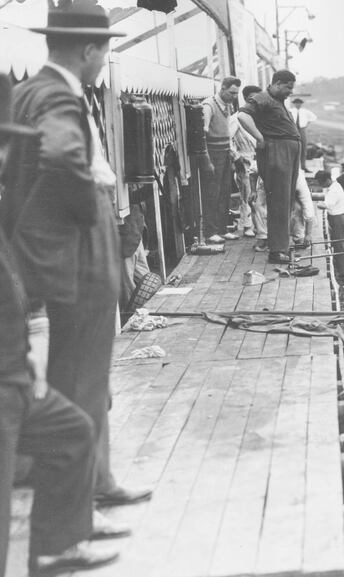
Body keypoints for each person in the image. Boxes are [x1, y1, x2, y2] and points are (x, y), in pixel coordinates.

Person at [0, 0, 152, 525]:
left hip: (46, 255)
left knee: (78, 377)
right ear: (90, 50)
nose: (104, 62)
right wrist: (87, 217)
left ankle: (99, 479)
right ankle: (80, 507)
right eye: (105, 52)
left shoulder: (25, 92)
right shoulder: (61, 96)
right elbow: (65, 158)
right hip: (82, 252)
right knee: (84, 379)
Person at [0, 69, 118, 577]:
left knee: (71, 426)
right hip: (7, 384)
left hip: (14, 373)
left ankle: (55, 546)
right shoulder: (56, 102)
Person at [238, 70, 301, 264]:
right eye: (288, 87)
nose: (290, 92)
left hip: (286, 152)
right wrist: (259, 137)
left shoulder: (277, 101)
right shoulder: (263, 98)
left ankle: (281, 245)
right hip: (277, 152)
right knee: (279, 201)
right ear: (278, 83)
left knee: (286, 200)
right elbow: (242, 116)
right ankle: (277, 251)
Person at [201, 76, 241, 243]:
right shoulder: (208, 105)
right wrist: (207, 160)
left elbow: (225, 132)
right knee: (212, 194)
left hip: (224, 154)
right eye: (231, 92)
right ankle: (210, 232)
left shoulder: (227, 106)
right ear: (222, 88)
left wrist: (230, 150)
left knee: (225, 192)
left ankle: (222, 229)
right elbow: (202, 135)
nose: (233, 96)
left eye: (236, 93)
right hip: (213, 153)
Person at [230, 84, 262, 241]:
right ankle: (247, 225)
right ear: (247, 98)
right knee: (247, 194)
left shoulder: (260, 117)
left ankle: (258, 225)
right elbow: (227, 139)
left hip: (260, 159)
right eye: (253, 99)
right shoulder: (236, 118)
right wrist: (236, 157)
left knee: (260, 194)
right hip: (245, 160)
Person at [314, 170, 344, 283]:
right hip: (340, 218)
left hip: (337, 219)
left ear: (328, 180)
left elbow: (326, 204)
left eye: (321, 182)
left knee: (339, 247)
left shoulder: (333, 190)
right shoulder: (335, 186)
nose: (320, 184)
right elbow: (326, 197)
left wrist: (316, 204)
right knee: (343, 247)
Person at [289, 97, 317, 172]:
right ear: (294, 104)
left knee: (303, 147)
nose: (298, 104)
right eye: (296, 103)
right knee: (293, 147)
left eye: (299, 103)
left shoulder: (305, 111)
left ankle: (303, 166)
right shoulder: (290, 111)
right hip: (293, 130)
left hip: (302, 129)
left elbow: (314, 117)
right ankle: (293, 167)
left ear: (301, 104)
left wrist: (307, 123)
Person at [290, 167, 315, 250]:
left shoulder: (299, 179)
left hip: (293, 194)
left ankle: (299, 237)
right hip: (272, 190)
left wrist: (308, 234)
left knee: (297, 207)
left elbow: (308, 206)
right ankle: (264, 238)